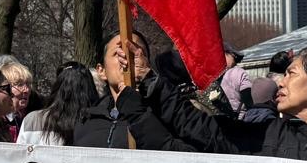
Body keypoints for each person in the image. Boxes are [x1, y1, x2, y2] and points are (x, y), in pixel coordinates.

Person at [73, 31, 216, 151]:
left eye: (135, 52)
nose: (126, 57)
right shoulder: (86, 121)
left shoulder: (172, 118)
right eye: (118, 52)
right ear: (101, 71)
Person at [18, 62, 101, 146]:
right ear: (90, 89)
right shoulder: (99, 123)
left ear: (58, 87)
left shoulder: (32, 120)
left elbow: (20, 155)